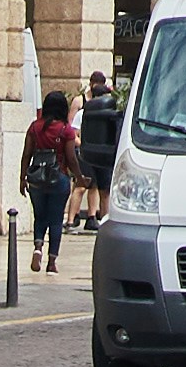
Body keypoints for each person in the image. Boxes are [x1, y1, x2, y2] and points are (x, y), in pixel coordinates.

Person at [21, 90, 79, 271]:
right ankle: (52, 262)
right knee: (55, 219)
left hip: (37, 179)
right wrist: (79, 176)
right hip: (58, 178)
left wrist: (22, 178)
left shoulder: (35, 127)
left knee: (40, 216)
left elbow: (26, 154)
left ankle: (38, 247)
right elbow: (71, 158)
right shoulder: (66, 130)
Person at [74, 69, 120, 229]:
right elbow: (73, 131)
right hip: (87, 153)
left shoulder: (110, 114)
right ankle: (74, 218)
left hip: (104, 154)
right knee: (85, 185)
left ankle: (100, 217)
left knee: (102, 188)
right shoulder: (82, 110)